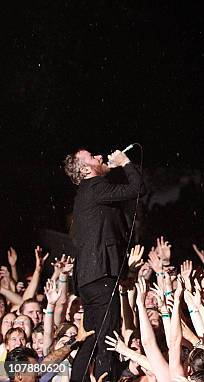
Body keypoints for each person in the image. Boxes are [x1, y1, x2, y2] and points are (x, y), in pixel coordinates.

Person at [63, 148, 144, 382]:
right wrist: (126, 162)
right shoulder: (95, 188)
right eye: (92, 156)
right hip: (99, 275)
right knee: (108, 336)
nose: (99, 156)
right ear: (86, 168)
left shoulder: (91, 191)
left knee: (90, 336)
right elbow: (137, 189)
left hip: (91, 277)